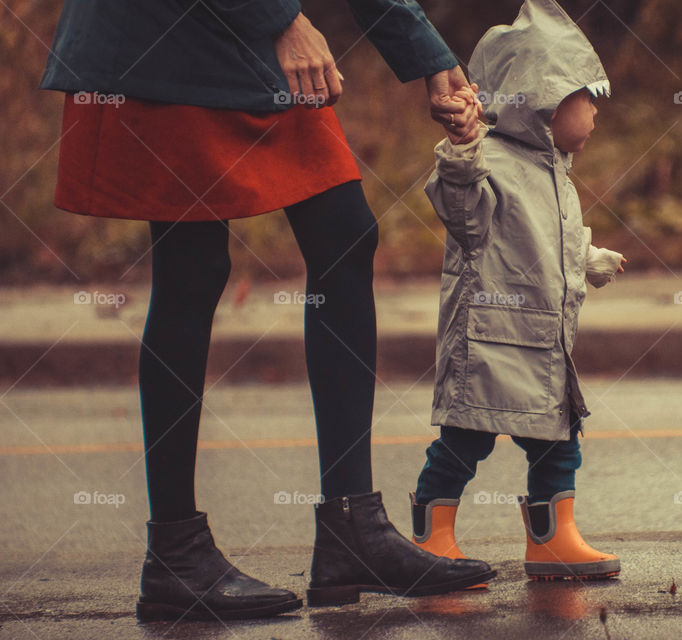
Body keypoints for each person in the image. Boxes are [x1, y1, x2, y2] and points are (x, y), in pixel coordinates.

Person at [39, 0, 494, 621]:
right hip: (162, 32)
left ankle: (350, 528)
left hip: (239, 30)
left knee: (343, 233)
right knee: (191, 267)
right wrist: (280, 19)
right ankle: (176, 550)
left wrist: (426, 54)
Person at [408, 0, 626, 581]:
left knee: (558, 442)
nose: (596, 114)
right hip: (489, 340)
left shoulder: (554, 170)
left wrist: (587, 257)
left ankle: (553, 540)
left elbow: (551, 240)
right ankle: (434, 536)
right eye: (587, 99)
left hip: (543, 343)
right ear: (543, 102)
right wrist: (460, 149)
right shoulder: (490, 161)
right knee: (463, 441)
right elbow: (465, 215)